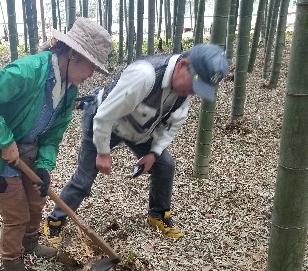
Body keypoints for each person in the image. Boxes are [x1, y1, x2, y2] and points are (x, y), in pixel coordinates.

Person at [0, 18, 112, 271]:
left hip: (28, 146)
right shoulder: (27, 71)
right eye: (91, 65)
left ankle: (30, 244)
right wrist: (4, 141)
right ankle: (13, 267)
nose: (92, 73)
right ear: (72, 54)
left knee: (37, 196)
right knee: (16, 213)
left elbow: (54, 133)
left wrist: (43, 166)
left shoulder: (69, 90)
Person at [44, 43, 229, 244]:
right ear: (183, 64)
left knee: (165, 165)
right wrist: (103, 152)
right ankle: (55, 222)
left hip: (139, 130)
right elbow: (104, 116)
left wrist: (154, 153)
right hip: (104, 121)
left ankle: (158, 214)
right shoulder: (145, 75)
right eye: (195, 83)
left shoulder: (183, 92)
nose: (193, 92)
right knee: (84, 178)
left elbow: (172, 126)